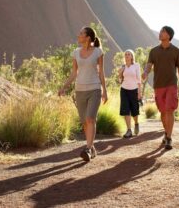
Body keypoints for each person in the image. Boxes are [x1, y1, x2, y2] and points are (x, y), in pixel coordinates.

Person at [59, 26, 108, 162]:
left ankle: (87, 148)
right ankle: (91, 148)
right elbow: (74, 73)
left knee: (90, 119)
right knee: (84, 123)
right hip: (80, 90)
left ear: (88, 37)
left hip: (94, 89)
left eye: (81, 33)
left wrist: (105, 91)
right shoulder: (75, 52)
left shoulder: (98, 52)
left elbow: (101, 72)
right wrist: (64, 87)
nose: (78, 35)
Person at [142, 26, 179, 150]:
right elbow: (149, 65)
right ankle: (166, 133)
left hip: (172, 84)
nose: (161, 33)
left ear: (169, 35)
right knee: (162, 112)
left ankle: (169, 138)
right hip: (158, 85)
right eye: (161, 31)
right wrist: (145, 73)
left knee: (169, 110)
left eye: (163, 32)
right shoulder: (154, 51)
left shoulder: (176, 51)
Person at [118, 49, 142, 138]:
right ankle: (129, 130)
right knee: (125, 110)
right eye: (126, 54)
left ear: (132, 56)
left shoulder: (136, 66)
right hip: (124, 89)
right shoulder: (123, 66)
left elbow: (139, 80)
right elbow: (120, 79)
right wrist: (120, 71)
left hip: (134, 90)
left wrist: (139, 92)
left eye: (129, 54)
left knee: (135, 111)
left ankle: (136, 123)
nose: (127, 55)